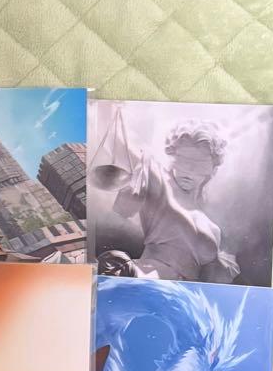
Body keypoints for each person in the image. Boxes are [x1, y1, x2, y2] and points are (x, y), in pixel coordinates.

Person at [93, 113, 238, 283]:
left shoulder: (213, 228)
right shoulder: (159, 180)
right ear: (172, 157)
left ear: (212, 169)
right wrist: (109, 107)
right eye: (182, 160)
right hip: (146, 281)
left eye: (199, 164)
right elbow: (113, 138)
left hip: (182, 294)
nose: (189, 170)